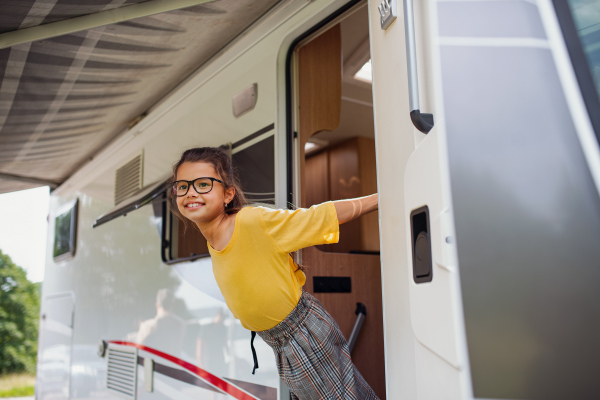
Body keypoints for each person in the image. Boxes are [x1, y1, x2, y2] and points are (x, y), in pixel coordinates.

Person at [169, 147, 379, 400]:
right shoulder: (212, 241)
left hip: (301, 333)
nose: (190, 192)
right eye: (182, 186)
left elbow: (319, 217)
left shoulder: (250, 222)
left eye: (203, 184)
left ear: (228, 194)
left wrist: (381, 197)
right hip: (280, 341)